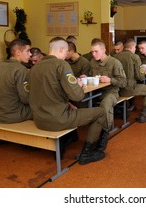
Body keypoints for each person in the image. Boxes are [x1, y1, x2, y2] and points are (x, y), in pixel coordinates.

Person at [29, 37, 108, 165]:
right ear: (61, 49)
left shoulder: (35, 67)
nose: (66, 55)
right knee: (100, 112)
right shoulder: (61, 65)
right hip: (57, 119)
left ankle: (69, 139)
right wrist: (79, 85)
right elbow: (77, 96)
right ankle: (87, 154)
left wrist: (67, 102)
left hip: (39, 119)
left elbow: (45, 93)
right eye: (66, 51)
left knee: (73, 107)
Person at [0, 39, 33, 123]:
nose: (30, 54)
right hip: (14, 114)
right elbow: (26, 98)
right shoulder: (21, 70)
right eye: (28, 51)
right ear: (18, 52)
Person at [89, 39, 127, 129]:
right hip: (96, 92)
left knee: (105, 105)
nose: (93, 54)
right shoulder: (93, 62)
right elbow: (91, 76)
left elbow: (123, 82)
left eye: (96, 51)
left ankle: (105, 131)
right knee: (80, 102)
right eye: (92, 52)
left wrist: (110, 80)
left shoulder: (114, 63)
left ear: (103, 50)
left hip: (111, 92)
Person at [114, 39, 146, 123]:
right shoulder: (135, 57)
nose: (136, 49)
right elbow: (140, 77)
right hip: (128, 89)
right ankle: (144, 115)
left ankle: (128, 108)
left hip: (116, 90)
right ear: (132, 47)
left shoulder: (115, 56)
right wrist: (142, 69)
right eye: (135, 47)